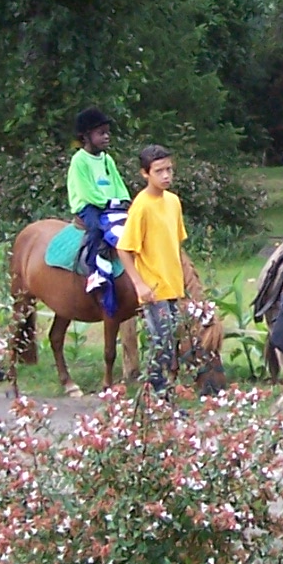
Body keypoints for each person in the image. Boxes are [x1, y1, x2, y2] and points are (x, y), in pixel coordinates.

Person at [121, 144, 202, 393]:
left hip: (173, 286)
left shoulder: (173, 202)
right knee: (161, 342)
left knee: (171, 342)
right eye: (159, 171)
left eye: (169, 169)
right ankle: (157, 394)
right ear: (146, 173)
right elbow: (124, 249)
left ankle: (162, 391)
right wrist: (139, 284)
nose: (166, 176)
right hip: (154, 288)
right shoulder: (142, 206)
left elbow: (175, 244)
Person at [67, 107, 133, 296]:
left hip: (111, 205)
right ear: (86, 136)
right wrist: (108, 202)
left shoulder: (107, 160)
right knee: (97, 229)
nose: (106, 137)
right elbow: (86, 191)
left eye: (107, 133)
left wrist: (124, 200)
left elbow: (118, 184)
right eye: (101, 133)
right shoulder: (79, 161)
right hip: (89, 207)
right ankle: (93, 270)